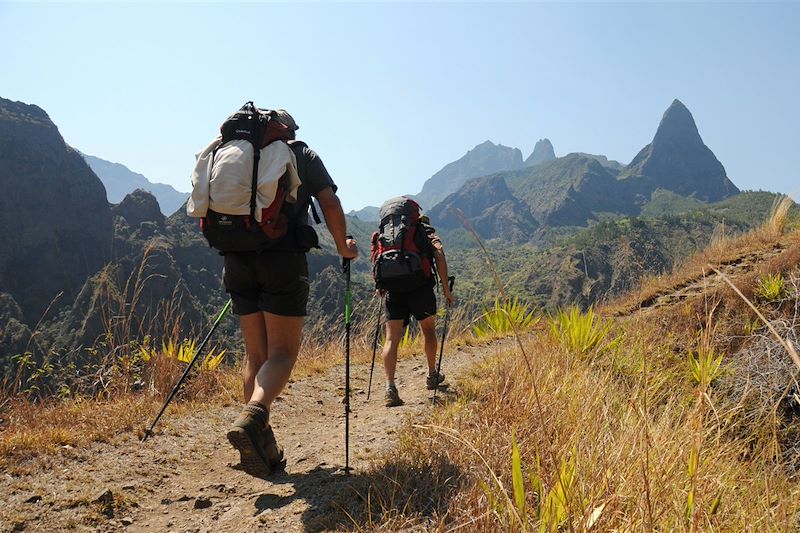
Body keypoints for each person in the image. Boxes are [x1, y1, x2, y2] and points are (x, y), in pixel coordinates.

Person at [225, 109, 358, 476]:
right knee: (281, 354)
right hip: (281, 261)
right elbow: (329, 202)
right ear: (289, 130)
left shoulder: (237, 154)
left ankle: (260, 444)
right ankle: (255, 416)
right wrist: (343, 247)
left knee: (256, 355)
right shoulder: (301, 153)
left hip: (236, 259)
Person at [379, 213, 454, 407]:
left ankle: (390, 387)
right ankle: (431, 374)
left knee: (391, 339)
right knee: (428, 331)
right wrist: (446, 290)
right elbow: (439, 255)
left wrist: (380, 285)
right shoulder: (427, 234)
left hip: (394, 289)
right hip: (420, 288)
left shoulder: (389, 235)